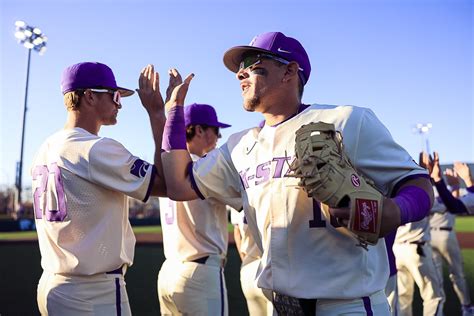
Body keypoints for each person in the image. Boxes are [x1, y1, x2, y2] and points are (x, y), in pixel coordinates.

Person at [161, 31, 434, 315]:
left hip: (346, 305)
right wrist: (172, 112)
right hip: (282, 306)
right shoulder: (239, 145)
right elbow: (179, 185)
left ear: (289, 71)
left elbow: (419, 184)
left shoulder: (346, 120)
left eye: (252, 62)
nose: (240, 74)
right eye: (238, 68)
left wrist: (397, 210)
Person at [30, 62, 169, 315]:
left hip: (52, 284)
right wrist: (157, 113)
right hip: (92, 293)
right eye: (114, 96)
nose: (120, 104)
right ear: (90, 96)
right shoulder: (94, 147)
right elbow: (164, 183)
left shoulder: (45, 147)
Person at [157, 103, 233, 315]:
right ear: (199, 130)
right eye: (215, 130)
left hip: (169, 271)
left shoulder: (169, 170)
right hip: (200, 272)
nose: (218, 137)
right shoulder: (208, 166)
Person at [427, 152, 474, 316]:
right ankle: (460, 307)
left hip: (439, 236)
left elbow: (453, 205)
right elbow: (452, 205)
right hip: (437, 236)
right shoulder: (429, 189)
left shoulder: (426, 190)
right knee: (444, 276)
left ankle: (464, 307)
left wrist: (448, 184)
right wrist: (460, 183)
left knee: (451, 276)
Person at [230, 208, 273, 316]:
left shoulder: (239, 192)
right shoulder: (275, 192)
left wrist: (246, 261)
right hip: (271, 269)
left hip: (249, 268)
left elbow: (237, 233)